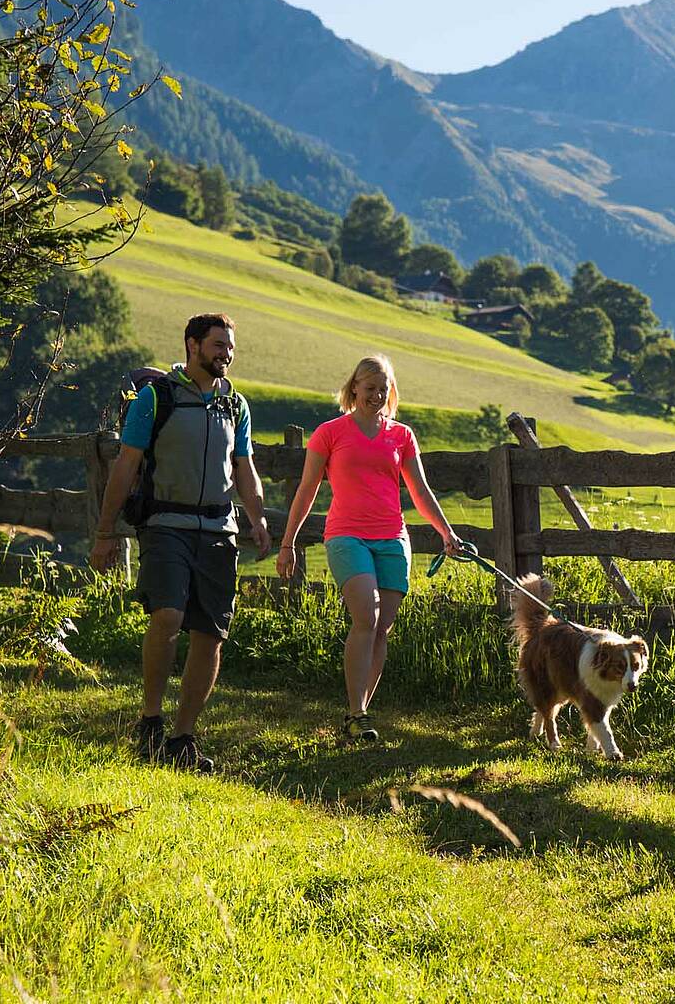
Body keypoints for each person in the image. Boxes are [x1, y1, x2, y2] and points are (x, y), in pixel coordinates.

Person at [89, 313, 271, 771]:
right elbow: (126, 465)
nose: (225, 353)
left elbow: (244, 467)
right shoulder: (157, 398)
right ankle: (150, 720)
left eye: (230, 345)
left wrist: (258, 518)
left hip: (219, 531)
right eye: (217, 345)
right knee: (167, 614)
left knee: (211, 635)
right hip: (165, 524)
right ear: (192, 345)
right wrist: (105, 531)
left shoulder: (237, 405)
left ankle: (182, 737)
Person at [277, 354, 460, 744]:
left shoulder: (402, 435)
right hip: (346, 535)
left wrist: (446, 532)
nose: (376, 395)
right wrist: (288, 542)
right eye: (369, 388)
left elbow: (420, 491)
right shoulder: (329, 433)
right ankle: (356, 712)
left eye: (383, 389)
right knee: (367, 616)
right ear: (354, 387)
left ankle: (359, 710)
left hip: (392, 538)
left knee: (382, 628)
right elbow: (307, 488)